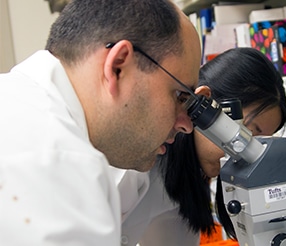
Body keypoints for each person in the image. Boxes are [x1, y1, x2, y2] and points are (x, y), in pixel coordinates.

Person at [0, 0, 202, 244]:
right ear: (118, 67)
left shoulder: (16, 100)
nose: (186, 124)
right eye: (180, 96)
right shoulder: (62, 162)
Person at [120, 47, 286, 245]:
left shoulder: (190, 180)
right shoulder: (133, 161)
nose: (248, 155)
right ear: (206, 106)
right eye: (247, 135)